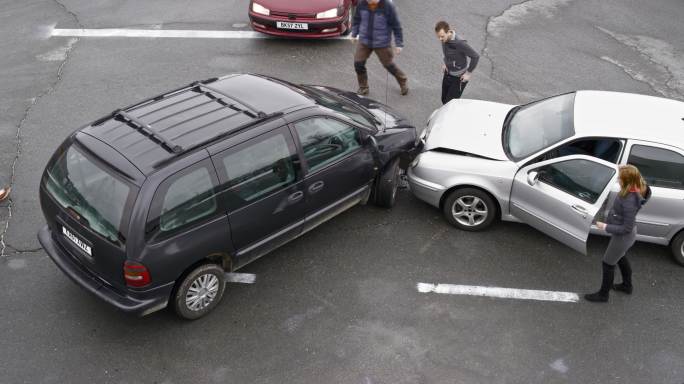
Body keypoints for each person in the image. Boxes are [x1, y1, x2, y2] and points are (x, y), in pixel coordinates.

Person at [585, 165, 652, 303]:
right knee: (620, 257)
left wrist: (605, 226)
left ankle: (603, 295)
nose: (618, 180)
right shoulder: (634, 186)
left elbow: (626, 228)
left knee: (608, 263)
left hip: (624, 237)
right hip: (626, 236)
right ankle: (627, 286)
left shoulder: (630, 200)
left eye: (620, 178)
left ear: (626, 181)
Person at [351, 0, 408, 96]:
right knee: (358, 64)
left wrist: (399, 43)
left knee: (389, 65)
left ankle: (402, 80)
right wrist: (354, 33)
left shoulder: (387, 5)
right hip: (365, 40)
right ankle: (363, 87)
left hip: (382, 42)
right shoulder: (362, 3)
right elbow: (357, 19)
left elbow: (396, 26)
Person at [434, 21, 480, 104]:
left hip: (458, 78)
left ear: (448, 32)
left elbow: (475, 56)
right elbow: (447, 53)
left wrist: (468, 73)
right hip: (447, 73)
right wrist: (446, 63)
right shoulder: (444, 39)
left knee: (450, 103)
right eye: (438, 37)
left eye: (442, 36)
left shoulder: (460, 43)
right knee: (444, 99)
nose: (440, 39)